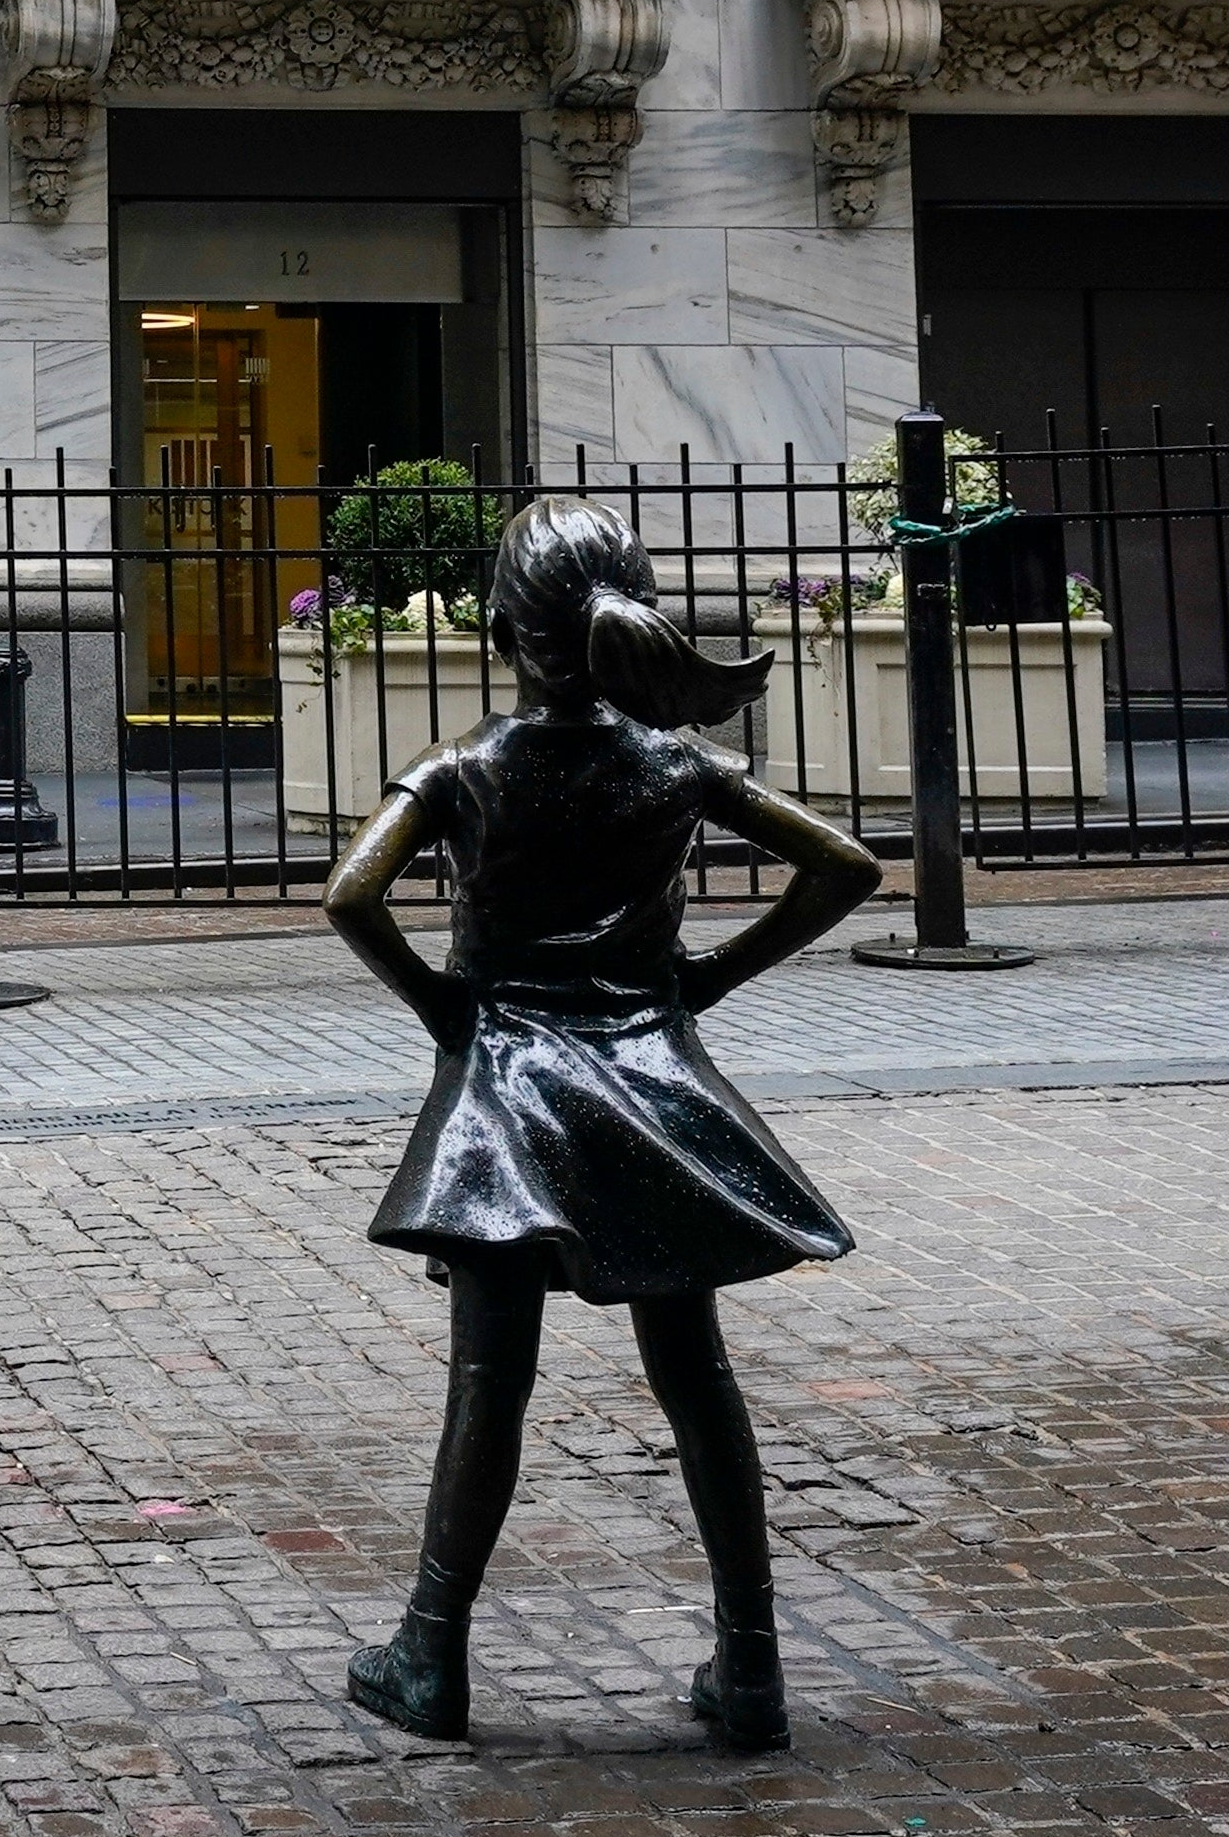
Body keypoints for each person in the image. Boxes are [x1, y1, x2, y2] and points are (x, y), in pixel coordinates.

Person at [313, 495, 884, 1757]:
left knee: (490, 1383)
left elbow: (353, 891)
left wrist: (445, 1012)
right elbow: (845, 864)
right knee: (698, 1378)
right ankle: (751, 1668)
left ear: (513, 636)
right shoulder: (673, 762)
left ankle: (432, 1649)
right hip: (651, 1080)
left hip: (509, 1087)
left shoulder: (472, 762)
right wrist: (712, 979)